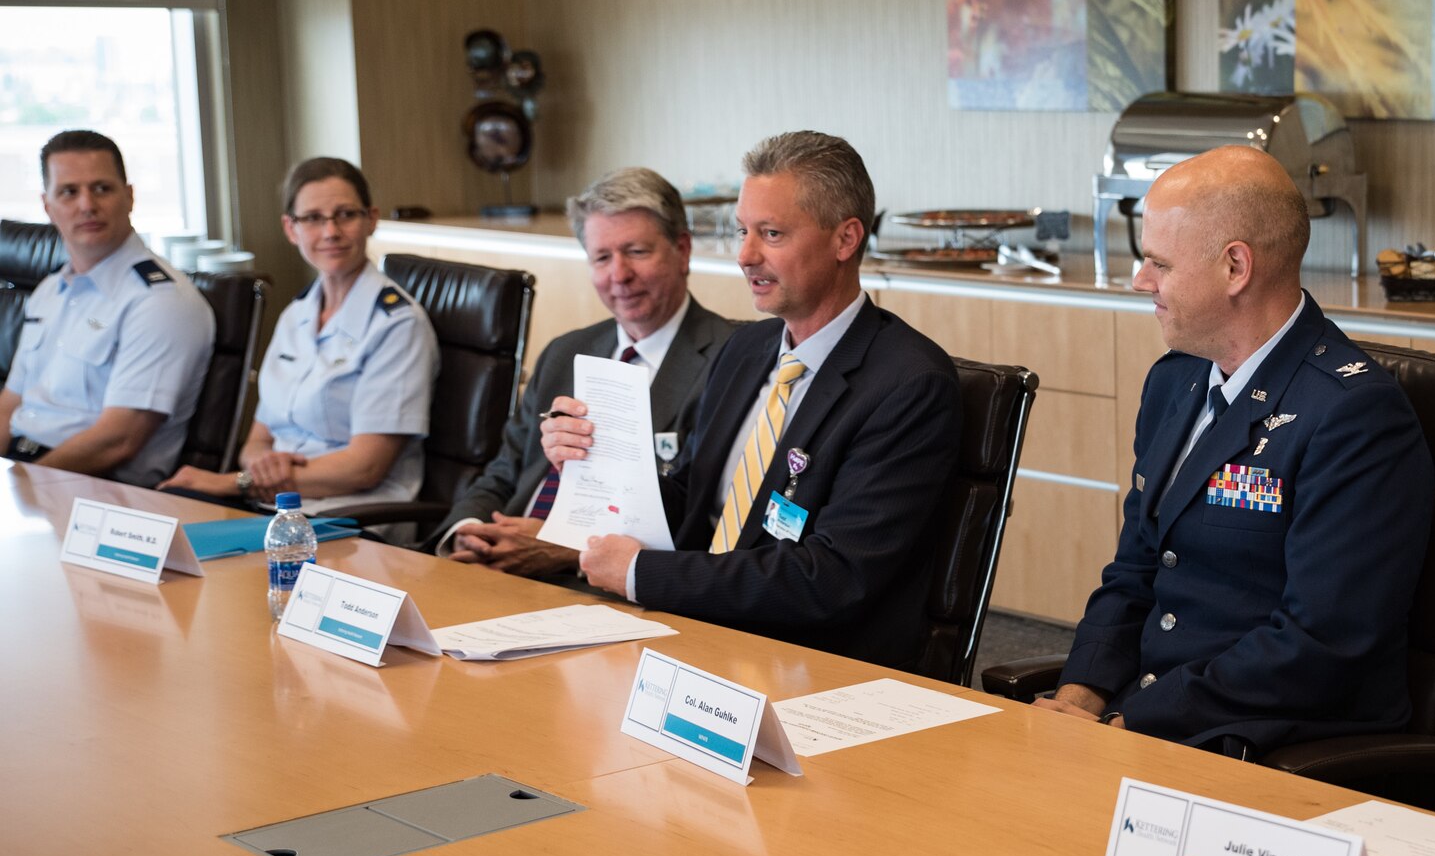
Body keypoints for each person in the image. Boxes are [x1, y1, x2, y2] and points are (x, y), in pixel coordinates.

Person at [1033, 146, 1433, 755]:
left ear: (1235, 268)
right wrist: (1080, 694)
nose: (1141, 281)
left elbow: (1319, 644)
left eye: (1158, 262)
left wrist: (1129, 724)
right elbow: (1137, 569)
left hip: (1260, 741)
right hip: (1152, 721)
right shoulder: (1175, 381)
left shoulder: (1352, 414)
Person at [539, 132, 960, 669]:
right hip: (690, 633)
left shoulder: (909, 385)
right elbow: (690, 500)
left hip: (809, 663)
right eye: (743, 231)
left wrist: (642, 574)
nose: (745, 255)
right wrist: (587, 463)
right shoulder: (746, 348)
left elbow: (830, 580)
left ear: (846, 238)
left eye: (772, 233)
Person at [427, 166, 740, 582]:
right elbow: (504, 471)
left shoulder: (731, 360)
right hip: (496, 570)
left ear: (682, 250)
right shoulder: (566, 351)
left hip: (600, 589)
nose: (619, 275)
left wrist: (567, 549)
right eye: (602, 257)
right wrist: (469, 532)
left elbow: (703, 526)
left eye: (637, 252)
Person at [159, 158, 437, 519]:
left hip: (348, 514)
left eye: (345, 215)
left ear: (371, 219)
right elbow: (258, 440)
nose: (330, 232)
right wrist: (260, 468)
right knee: (172, 511)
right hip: (272, 504)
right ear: (291, 229)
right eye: (313, 218)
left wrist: (236, 482)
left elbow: (363, 468)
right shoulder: (297, 314)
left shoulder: (397, 325)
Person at [1, 130, 214, 486]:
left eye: (102, 188)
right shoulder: (50, 290)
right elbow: (11, 402)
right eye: (69, 192)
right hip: (24, 473)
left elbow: (118, 440)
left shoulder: (160, 301)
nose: (86, 205)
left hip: (94, 489)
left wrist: (21, 489)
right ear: (47, 206)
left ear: (129, 197)